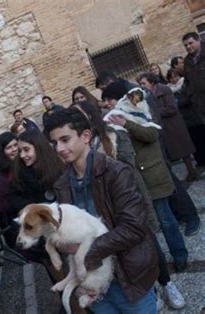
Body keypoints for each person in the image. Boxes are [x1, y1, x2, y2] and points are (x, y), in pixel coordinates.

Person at [73, 101, 185, 310]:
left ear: (90, 115)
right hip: (104, 211)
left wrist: (103, 165)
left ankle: (167, 283)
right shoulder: (77, 148)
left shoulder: (114, 134)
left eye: (81, 115)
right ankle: (148, 291)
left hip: (129, 202)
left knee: (150, 248)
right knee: (126, 258)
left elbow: (128, 166)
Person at [45, 108, 159, 313]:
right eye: (54, 143)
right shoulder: (62, 185)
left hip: (129, 279)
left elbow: (134, 228)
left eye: (65, 139)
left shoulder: (116, 172)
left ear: (86, 136)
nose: (59, 148)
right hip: (93, 283)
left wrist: (84, 251)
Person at [102, 86, 189, 272]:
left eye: (109, 99)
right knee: (147, 225)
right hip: (134, 181)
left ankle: (180, 254)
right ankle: (159, 264)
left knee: (166, 219)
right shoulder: (112, 119)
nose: (106, 104)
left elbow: (152, 134)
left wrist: (126, 124)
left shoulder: (140, 110)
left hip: (152, 176)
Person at [137, 72, 197, 181]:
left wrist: (154, 113)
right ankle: (171, 178)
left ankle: (191, 171)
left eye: (143, 83)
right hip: (161, 127)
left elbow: (172, 108)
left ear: (151, 82)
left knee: (183, 151)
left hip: (173, 124)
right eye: (140, 84)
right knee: (166, 152)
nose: (142, 86)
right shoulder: (145, 96)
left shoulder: (164, 89)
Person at [167, 68, 205, 167]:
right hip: (183, 120)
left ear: (180, 76)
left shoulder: (185, 85)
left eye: (176, 76)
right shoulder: (169, 90)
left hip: (194, 116)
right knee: (192, 141)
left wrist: (177, 103)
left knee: (201, 138)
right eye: (171, 78)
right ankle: (199, 160)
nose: (174, 79)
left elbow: (190, 98)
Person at [182, 32, 205, 122]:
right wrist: (192, 97)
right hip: (201, 107)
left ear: (198, 40)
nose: (188, 47)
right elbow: (187, 82)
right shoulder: (187, 61)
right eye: (185, 45)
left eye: (190, 43)